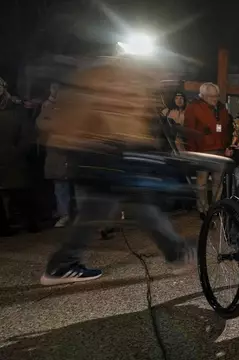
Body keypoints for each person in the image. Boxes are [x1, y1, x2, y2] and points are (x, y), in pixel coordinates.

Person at [39, 60, 195, 285]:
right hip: (104, 158)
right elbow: (113, 121)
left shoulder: (115, 80)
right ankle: (62, 265)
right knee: (110, 211)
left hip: (108, 157)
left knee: (123, 209)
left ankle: (174, 251)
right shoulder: (109, 81)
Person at [184, 83, 233, 216]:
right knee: (202, 183)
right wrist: (192, 151)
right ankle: (203, 209)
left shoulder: (222, 108)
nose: (215, 99)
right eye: (211, 96)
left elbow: (227, 128)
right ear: (203, 95)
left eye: (216, 96)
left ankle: (215, 208)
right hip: (202, 151)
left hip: (220, 150)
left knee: (218, 182)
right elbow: (189, 131)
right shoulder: (193, 107)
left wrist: (227, 145)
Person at [0, 77, 39, 236]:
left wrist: (17, 151)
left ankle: (30, 222)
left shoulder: (16, 108)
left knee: (21, 192)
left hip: (14, 157)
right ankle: (3, 226)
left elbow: (26, 133)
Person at [37, 82, 74, 228]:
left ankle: (79, 215)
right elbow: (40, 123)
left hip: (73, 152)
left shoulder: (73, 107)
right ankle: (65, 214)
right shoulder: (49, 107)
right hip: (56, 153)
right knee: (60, 186)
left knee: (77, 186)